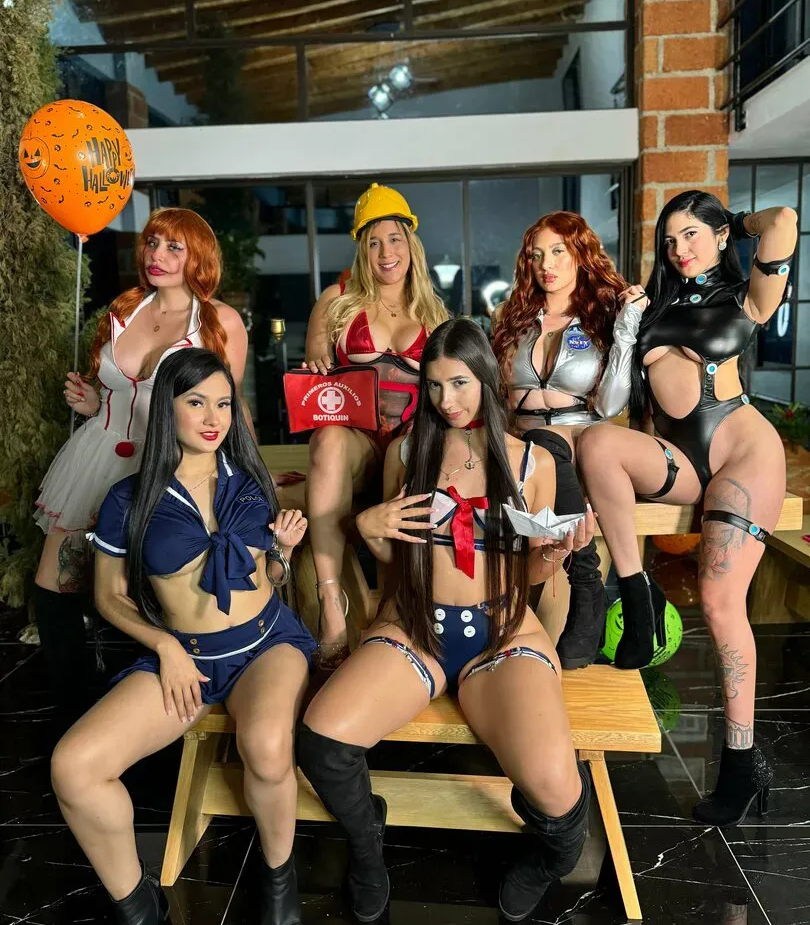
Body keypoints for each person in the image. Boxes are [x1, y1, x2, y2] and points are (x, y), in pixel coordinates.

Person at [296, 318, 595, 923]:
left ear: (486, 377)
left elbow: (532, 574)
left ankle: (541, 863)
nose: (446, 400)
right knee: (322, 743)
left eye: (459, 383)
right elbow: (397, 560)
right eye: (433, 386)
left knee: (561, 799)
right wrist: (367, 529)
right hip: (415, 628)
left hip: (502, 636)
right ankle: (368, 848)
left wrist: (555, 554)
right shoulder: (407, 452)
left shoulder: (533, 462)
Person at [50, 348, 315, 925]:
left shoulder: (251, 483)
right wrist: (166, 646)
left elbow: (269, 577)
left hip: (266, 645)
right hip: (184, 656)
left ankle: (279, 880)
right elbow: (109, 596)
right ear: (166, 408)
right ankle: (139, 905)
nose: (213, 417)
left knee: (267, 747)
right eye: (196, 402)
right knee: (74, 768)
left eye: (223, 403)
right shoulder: (128, 499)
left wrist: (284, 552)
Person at [576, 190, 797, 825]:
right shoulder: (652, 306)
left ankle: (740, 762)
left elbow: (785, 221)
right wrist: (627, 325)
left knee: (721, 601)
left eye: (693, 234)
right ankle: (637, 597)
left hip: (741, 451)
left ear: (721, 235)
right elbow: (621, 402)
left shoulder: (746, 297)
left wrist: (735, 223)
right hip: (678, 457)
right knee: (596, 444)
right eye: (670, 240)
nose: (680, 249)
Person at [33, 208, 250, 725]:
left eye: (174, 247)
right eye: (152, 243)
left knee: (148, 586)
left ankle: (148, 704)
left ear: (198, 256)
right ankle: (74, 710)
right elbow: (118, 391)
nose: (158, 255)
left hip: (167, 467)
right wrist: (94, 402)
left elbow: (228, 408)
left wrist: (246, 482)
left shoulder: (219, 322)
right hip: (98, 454)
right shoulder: (125, 309)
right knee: (54, 584)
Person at [301, 184, 448, 667]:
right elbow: (313, 365)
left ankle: (399, 605)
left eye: (395, 239)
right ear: (361, 249)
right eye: (374, 242)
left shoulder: (434, 312)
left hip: (408, 444)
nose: (386, 252)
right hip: (356, 441)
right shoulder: (337, 300)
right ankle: (331, 602)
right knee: (327, 439)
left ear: (411, 244)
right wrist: (316, 363)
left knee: (411, 446)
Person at [492, 211, 647, 668]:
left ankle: (583, 582)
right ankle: (583, 585)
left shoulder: (603, 317)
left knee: (549, 443)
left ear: (580, 254)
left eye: (558, 251)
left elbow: (611, 404)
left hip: (581, 442)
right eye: (537, 255)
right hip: (523, 447)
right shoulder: (512, 318)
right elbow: (497, 397)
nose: (547, 264)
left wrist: (626, 330)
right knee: (536, 445)